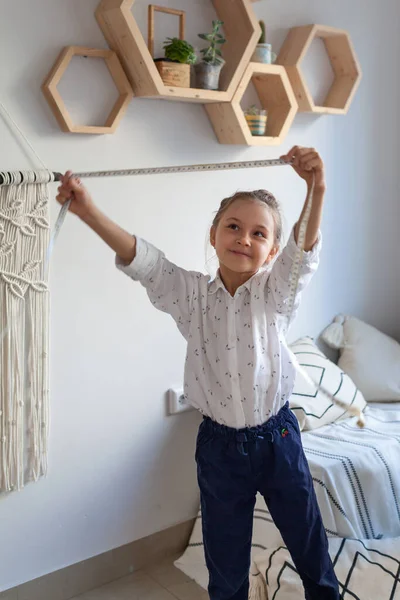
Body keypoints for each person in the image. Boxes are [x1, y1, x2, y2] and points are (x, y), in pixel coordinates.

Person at [56, 146, 339, 600]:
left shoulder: (276, 296)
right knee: (225, 571)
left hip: (278, 441)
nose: (244, 238)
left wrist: (316, 188)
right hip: (219, 450)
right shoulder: (191, 296)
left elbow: (302, 253)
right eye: (233, 226)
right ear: (213, 235)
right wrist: (86, 208)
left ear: (270, 253)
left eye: (258, 233)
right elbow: (144, 260)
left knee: (311, 549)